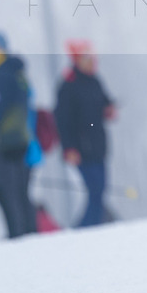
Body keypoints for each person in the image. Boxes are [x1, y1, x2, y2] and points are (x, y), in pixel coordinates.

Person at [0, 31, 37, 238]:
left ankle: (18, 236)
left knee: (7, 194)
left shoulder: (2, 74)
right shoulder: (15, 71)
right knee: (20, 193)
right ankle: (28, 233)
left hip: (4, 144)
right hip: (19, 142)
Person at [54, 39, 115, 228]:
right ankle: (85, 228)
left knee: (100, 190)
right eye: (86, 57)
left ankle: (91, 227)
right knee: (95, 190)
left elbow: (104, 102)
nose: (91, 61)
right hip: (81, 148)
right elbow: (62, 121)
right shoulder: (68, 85)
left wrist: (109, 109)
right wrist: (69, 148)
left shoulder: (94, 80)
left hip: (98, 145)